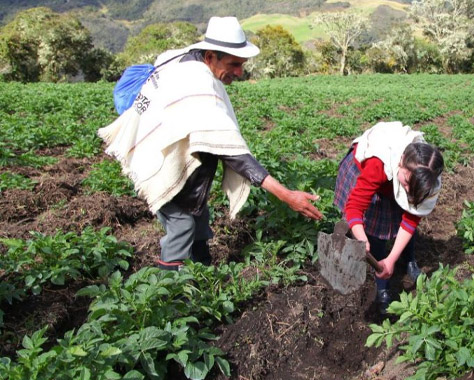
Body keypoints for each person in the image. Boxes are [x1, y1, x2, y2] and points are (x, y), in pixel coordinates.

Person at [98, 16, 323, 270]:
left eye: (242, 64)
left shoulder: (188, 58)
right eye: (234, 64)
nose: (239, 72)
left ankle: (202, 275)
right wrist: (287, 195)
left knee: (199, 218)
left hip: (170, 153)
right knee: (182, 226)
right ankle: (166, 295)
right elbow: (234, 154)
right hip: (158, 163)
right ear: (210, 57)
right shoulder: (198, 84)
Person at [334, 122, 443, 314]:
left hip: (396, 177)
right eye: (406, 183)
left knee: (402, 219)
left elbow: (411, 218)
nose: (408, 192)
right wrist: (361, 236)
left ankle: (406, 259)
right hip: (367, 173)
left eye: (415, 189)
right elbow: (355, 207)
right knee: (376, 232)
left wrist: (391, 259)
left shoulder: (427, 176)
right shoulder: (378, 162)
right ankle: (382, 285)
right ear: (400, 161)